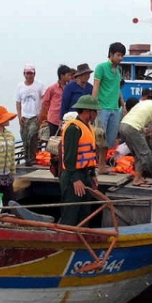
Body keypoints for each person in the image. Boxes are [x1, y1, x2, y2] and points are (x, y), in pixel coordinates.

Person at [59, 95, 100, 226]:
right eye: (95, 111)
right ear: (88, 111)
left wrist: (92, 174)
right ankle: (66, 242)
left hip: (85, 174)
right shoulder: (73, 129)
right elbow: (69, 158)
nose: (96, 114)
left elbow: (90, 154)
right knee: (71, 214)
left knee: (84, 215)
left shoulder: (88, 127)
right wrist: (76, 179)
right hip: (73, 176)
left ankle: (81, 242)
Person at [119, 88, 152, 187]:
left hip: (123, 125)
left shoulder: (142, 103)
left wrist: (143, 130)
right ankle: (137, 180)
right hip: (132, 128)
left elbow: (135, 118)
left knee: (136, 154)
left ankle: (139, 178)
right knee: (144, 154)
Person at [93, 42, 127, 174]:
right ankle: (93, 164)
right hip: (102, 108)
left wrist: (123, 105)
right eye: (118, 55)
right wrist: (93, 106)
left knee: (109, 140)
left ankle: (101, 166)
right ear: (111, 54)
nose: (120, 58)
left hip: (114, 108)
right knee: (99, 138)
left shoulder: (118, 70)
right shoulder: (101, 67)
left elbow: (117, 89)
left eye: (122, 56)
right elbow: (96, 86)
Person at [16, 64, 45, 166]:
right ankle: (27, 159)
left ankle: (32, 159)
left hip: (35, 116)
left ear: (34, 74)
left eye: (31, 73)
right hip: (24, 116)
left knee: (32, 136)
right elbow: (18, 102)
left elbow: (44, 100)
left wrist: (41, 114)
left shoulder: (39, 85)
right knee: (25, 138)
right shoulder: (20, 86)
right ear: (24, 74)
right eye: (27, 73)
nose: (29, 75)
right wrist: (19, 116)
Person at [40, 65, 74, 136]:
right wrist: (51, 111)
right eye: (68, 75)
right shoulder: (52, 88)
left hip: (66, 119)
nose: (70, 77)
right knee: (53, 140)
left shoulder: (70, 88)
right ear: (62, 76)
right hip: (54, 119)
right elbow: (45, 102)